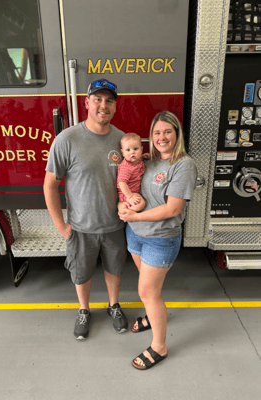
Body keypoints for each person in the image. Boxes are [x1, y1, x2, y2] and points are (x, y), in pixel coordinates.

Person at [44, 79, 128, 340]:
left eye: (109, 100)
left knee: (114, 269)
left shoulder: (121, 139)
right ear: (87, 103)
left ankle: (113, 305)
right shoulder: (67, 139)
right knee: (81, 273)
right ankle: (84, 309)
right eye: (98, 100)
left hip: (115, 225)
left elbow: (130, 177)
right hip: (81, 228)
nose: (103, 105)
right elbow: (49, 185)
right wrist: (62, 227)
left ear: (115, 106)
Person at [119, 111, 197, 370]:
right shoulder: (147, 161)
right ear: (150, 137)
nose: (162, 137)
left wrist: (135, 216)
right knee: (148, 288)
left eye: (167, 132)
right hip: (136, 234)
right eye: (156, 133)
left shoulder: (183, 164)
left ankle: (159, 347)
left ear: (177, 134)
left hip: (160, 239)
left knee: (147, 292)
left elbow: (173, 209)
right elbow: (132, 188)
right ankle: (154, 318)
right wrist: (124, 205)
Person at [117, 133, 145, 212]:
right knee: (141, 204)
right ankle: (125, 209)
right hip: (127, 193)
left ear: (141, 150)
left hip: (134, 191)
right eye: (128, 150)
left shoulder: (138, 160)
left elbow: (139, 159)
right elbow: (121, 183)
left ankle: (125, 208)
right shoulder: (126, 167)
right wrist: (130, 196)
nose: (132, 152)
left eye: (135, 149)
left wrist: (144, 156)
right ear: (123, 152)